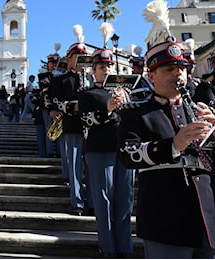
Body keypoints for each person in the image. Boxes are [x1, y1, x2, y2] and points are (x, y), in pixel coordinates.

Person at [117, 38, 215, 258]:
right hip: (165, 220)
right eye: (169, 69)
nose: (178, 74)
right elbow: (127, 155)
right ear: (150, 76)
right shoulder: (135, 112)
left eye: (182, 69)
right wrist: (173, 145)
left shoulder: (200, 109)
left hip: (208, 219)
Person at [79, 47, 135, 257]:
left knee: (125, 201)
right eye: (102, 66)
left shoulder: (125, 92)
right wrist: (108, 109)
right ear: (94, 71)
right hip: (100, 150)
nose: (107, 69)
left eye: (109, 66)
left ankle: (125, 249)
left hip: (124, 150)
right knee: (104, 202)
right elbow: (86, 120)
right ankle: (108, 249)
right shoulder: (88, 94)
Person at [50, 26, 94, 216]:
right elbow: (55, 101)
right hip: (72, 125)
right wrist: (72, 106)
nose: (81, 59)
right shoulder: (62, 79)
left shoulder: (92, 78)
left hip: (93, 127)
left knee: (91, 167)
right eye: (77, 55)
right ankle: (77, 202)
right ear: (69, 60)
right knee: (75, 166)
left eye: (83, 55)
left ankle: (92, 201)